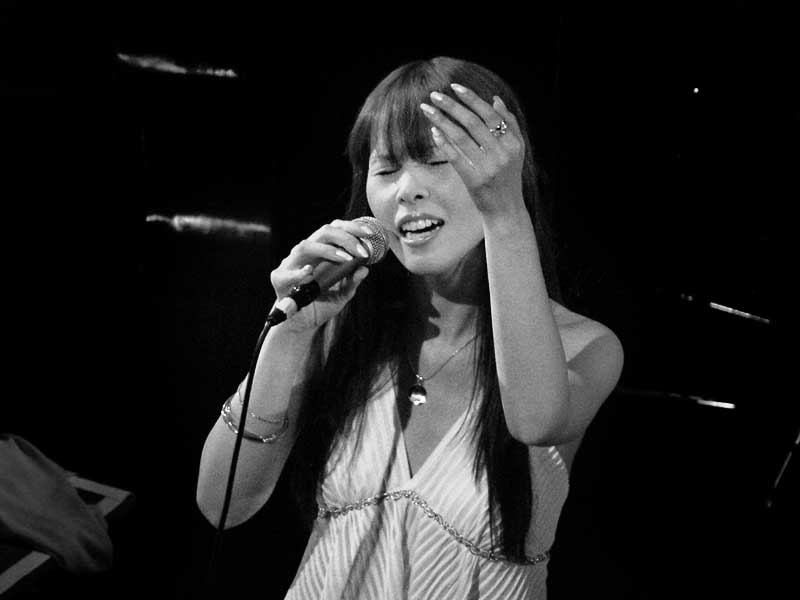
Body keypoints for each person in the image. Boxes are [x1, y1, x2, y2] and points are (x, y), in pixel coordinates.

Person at [197, 56, 624, 599]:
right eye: (386, 169)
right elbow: (222, 506)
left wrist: (505, 212)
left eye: (438, 160)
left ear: (501, 171)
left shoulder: (585, 346)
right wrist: (288, 338)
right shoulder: (345, 329)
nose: (407, 190)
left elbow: (536, 421)